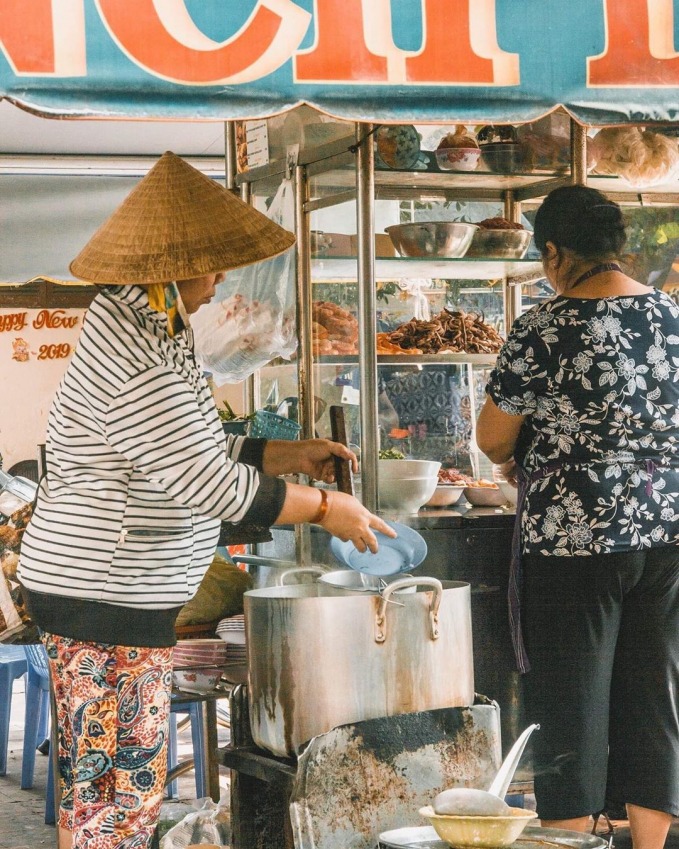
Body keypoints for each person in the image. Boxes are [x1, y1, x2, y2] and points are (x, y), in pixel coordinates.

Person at [17, 151, 394, 849]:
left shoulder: (151, 326)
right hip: (106, 593)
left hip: (110, 591)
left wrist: (281, 454)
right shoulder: (138, 350)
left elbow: (191, 446)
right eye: (213, 261)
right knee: (117, 792)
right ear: (176, 260)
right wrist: (321, 507)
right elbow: (205, 483)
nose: (221, 277)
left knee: (111, 787)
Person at [476, 185, 679, 848]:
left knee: (570, 703)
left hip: (575, 539)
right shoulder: (671, 318)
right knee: (653, 699)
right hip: (666, 534)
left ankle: (572, 836)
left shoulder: (544, 325)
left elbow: (492, 438)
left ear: (556, 252)